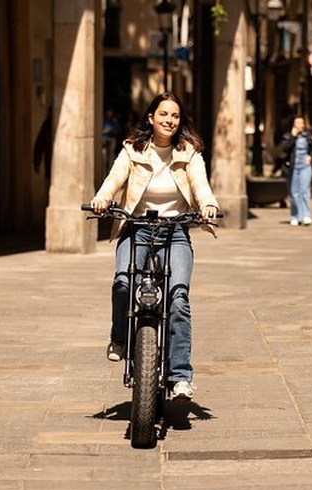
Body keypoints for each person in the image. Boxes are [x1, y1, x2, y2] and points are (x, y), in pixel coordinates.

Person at [89, 92, 219, 401]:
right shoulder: (132, 150)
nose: (169, 120)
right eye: (163, 114)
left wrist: (208, 204)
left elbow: (201, 185)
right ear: (151, 117)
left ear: (180, 120)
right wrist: (102, 198)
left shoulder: (190, 153)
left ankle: (180, 377)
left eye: (174, 116)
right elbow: (114, 179)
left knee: (178, 298)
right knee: (122, 283)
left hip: (174, 232)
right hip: (136, 230)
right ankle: (119, 339)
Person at [280, 116, 312, 226]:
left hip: (305, 166)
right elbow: (284, 148)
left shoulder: (307, 136)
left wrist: (310, 156)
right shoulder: (287, 136)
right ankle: (295, 216)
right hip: (293, 167)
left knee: (304, 191)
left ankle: (306, 215)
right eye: (297, 123)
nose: (299, 126)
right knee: (294, 192)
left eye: (301, 123)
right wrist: (293, 136)